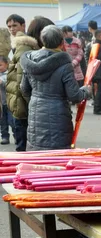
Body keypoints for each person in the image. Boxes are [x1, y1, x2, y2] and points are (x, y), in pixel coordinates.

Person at [20, 26, 90, 151]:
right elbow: (74, 95)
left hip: (36, 111)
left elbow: (24, 89)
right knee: (58, 156)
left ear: (42, 41)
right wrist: (86, 90)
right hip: (59, 115)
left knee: (38, 157)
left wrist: (36, 100)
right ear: (61, 42)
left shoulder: (30, 61)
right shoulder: (64, 64)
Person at [6, 16, 49, 152]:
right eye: (10, 26)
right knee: (24, 150)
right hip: (23, 108)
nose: (12, 29)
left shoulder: (27, 47)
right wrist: (36, 106)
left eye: (15, 25)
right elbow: (22, 84)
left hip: (21, 105)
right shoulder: (26, 49)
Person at [0, 55, 13, 145]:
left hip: (9, 103)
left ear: (6, 64)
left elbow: (9, 86)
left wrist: (2, 82)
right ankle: (5, 137)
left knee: (12, 121)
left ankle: (17, 136)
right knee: (2, 122)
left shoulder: (9, 74)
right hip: (1, 104)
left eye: (0, 65)